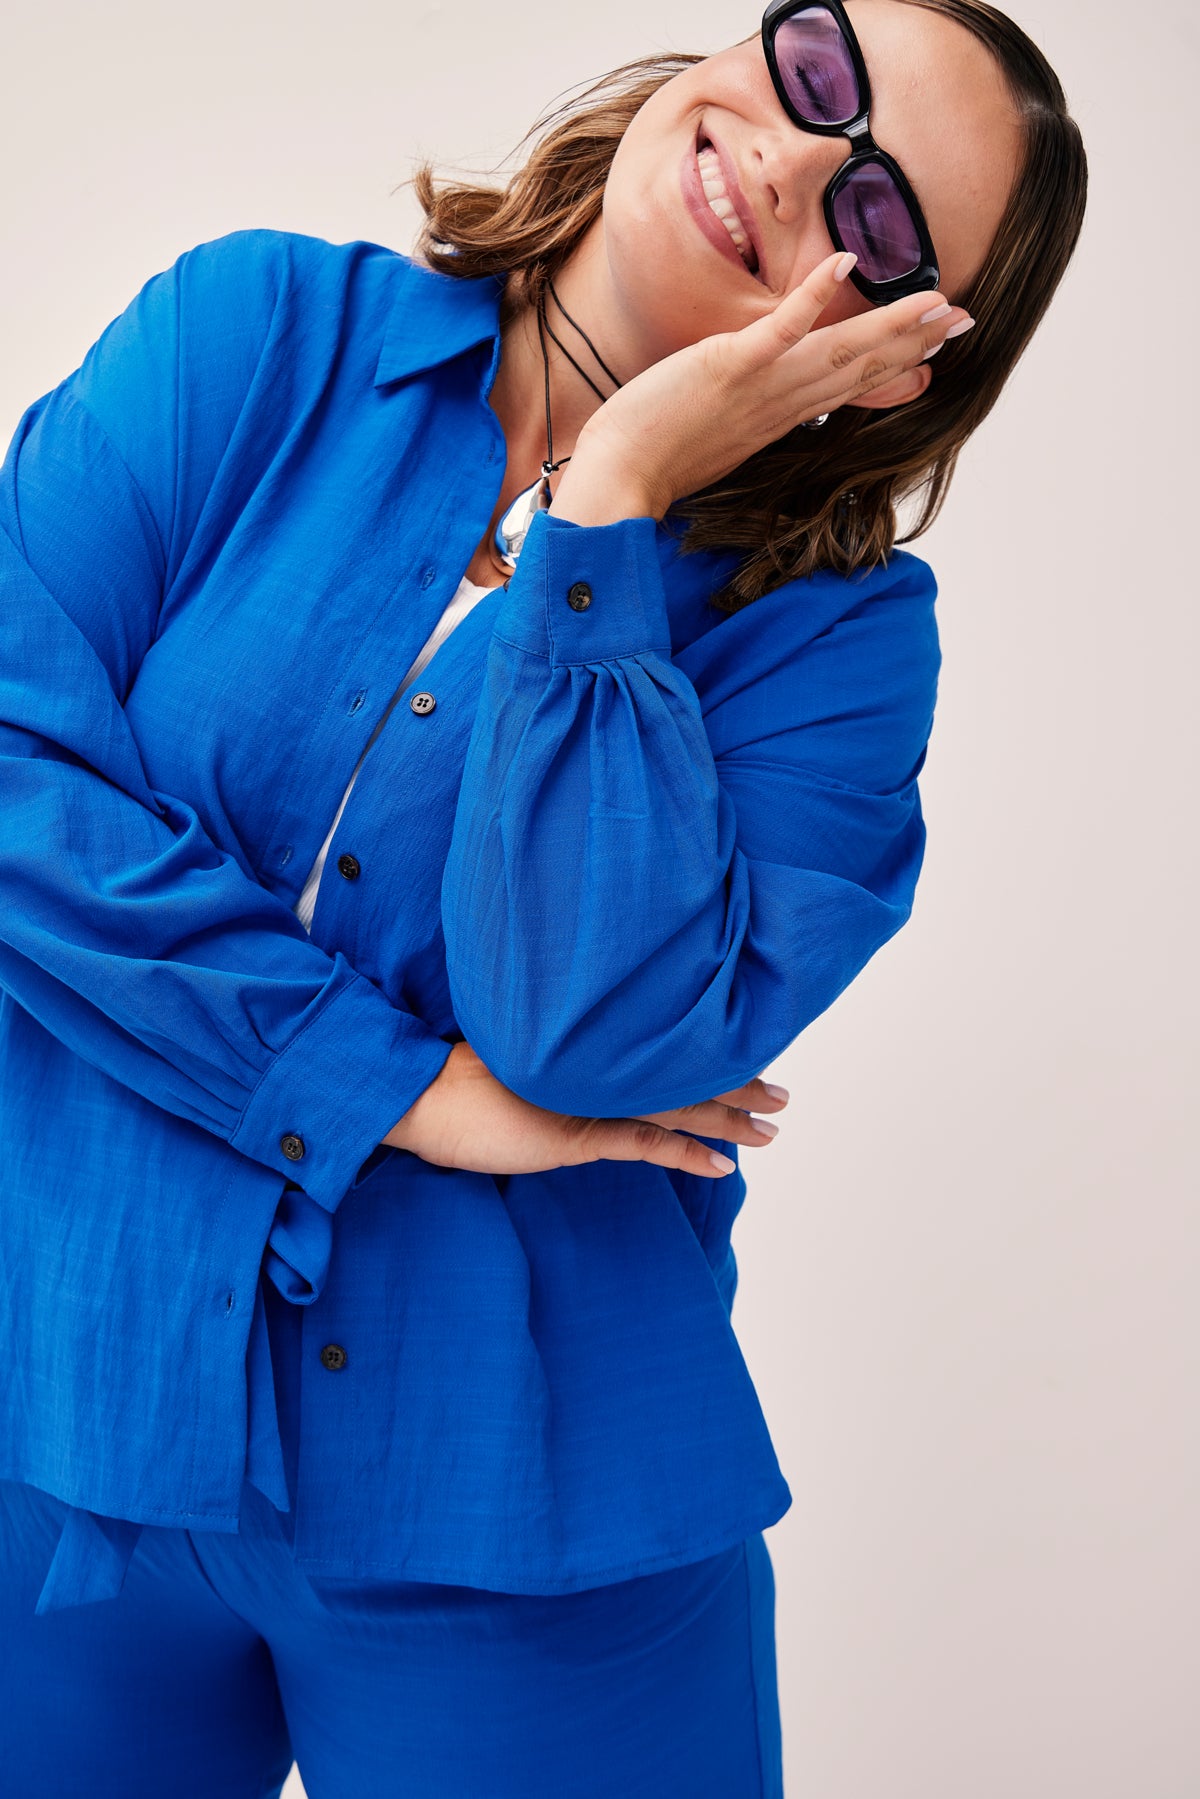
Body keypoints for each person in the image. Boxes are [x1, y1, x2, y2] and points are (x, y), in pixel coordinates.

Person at [0, 1, 1086, 1793]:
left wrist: (610, 507)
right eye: (819, 69)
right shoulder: (255, 334)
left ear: (899, 357)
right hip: (63, 1407)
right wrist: (398, 1089)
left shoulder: (837, 651)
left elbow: (586, 1034)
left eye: (880, 213)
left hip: (511, 1508)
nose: (797, 156)